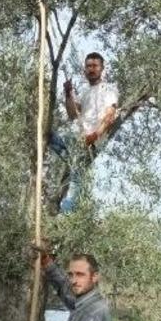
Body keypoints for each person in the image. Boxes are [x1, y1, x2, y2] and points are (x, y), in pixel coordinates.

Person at [54, 52, 119, 213]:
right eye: (88, 66)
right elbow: (72, 114)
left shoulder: (108, 89)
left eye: (95, 66)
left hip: (94, 139)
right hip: (79, 137)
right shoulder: (85, 91)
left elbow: (110, 116)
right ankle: (59, 202)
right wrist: (68, 93)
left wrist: (96, 135)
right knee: (50, 139)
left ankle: (68, 212)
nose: (91, 69)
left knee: (77, 176)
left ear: (102, 68)